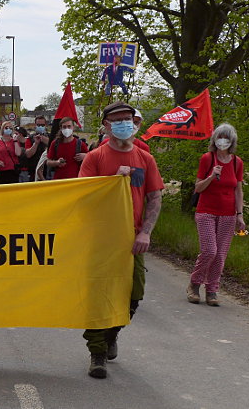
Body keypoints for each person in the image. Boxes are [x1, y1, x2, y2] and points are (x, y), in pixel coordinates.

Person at [78, 101, 163, 379]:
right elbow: (83, 197)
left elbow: (155, 196)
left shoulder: (145, 159)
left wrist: (145, 232)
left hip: (131, 241)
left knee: (133, 295)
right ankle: (97, 353)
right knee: (99, 297)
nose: (125, 124)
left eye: (128, 119)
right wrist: (111, 183)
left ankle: (113, 331)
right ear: (106, 125)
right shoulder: (95, 158)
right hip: (100, 239)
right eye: (117, 120)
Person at [187, 123, 245, 306]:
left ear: (232, 141)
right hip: (206, 211)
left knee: (220, 255)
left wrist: (240, 215)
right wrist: (211, 176)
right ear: (214, 139)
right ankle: (194, 284)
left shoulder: (237, 162)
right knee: (209, 251)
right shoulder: (207, 159)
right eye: (220, 137)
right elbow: (198, 188)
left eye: (227, 138)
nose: (223, 141)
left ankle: (212, 290)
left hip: (228, 214)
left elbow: (238, 190)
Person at [22, 115, 50, 181]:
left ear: (45, 125)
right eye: (38, 125)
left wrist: (44, 139)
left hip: (48, 171)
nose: (40, 127)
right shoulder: (30, 138)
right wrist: (36, 144)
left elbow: (54, 146)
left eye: (42, 125)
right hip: (33, 172)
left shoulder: (51, 137)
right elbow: (28, 154)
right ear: (35, 125)